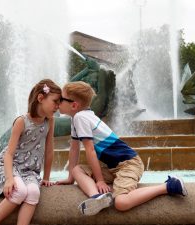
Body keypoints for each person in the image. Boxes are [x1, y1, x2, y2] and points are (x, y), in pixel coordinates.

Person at [57, 81, 187, 216]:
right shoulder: (77, 117)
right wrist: (70, 178)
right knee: (77, 170)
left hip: (129, 164)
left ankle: (169, 185)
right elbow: (74, 149)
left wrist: (100, 180)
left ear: (74, 105)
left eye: (61, 99)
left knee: (121, 203)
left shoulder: (80, 117)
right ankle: (97, 198)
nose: (58, 102)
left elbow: (90, 150)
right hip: (112, 167)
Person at [0, 79, 61, 225]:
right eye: (55, 101)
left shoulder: (50, 121)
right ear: (41, 98)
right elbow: (8, 155)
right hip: (8, 165)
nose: (58, 106)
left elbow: (49, 150)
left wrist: (46, 177)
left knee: (33, 193)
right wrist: (9, 179)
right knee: (19, 191)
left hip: (29, 170)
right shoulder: (21, 121)